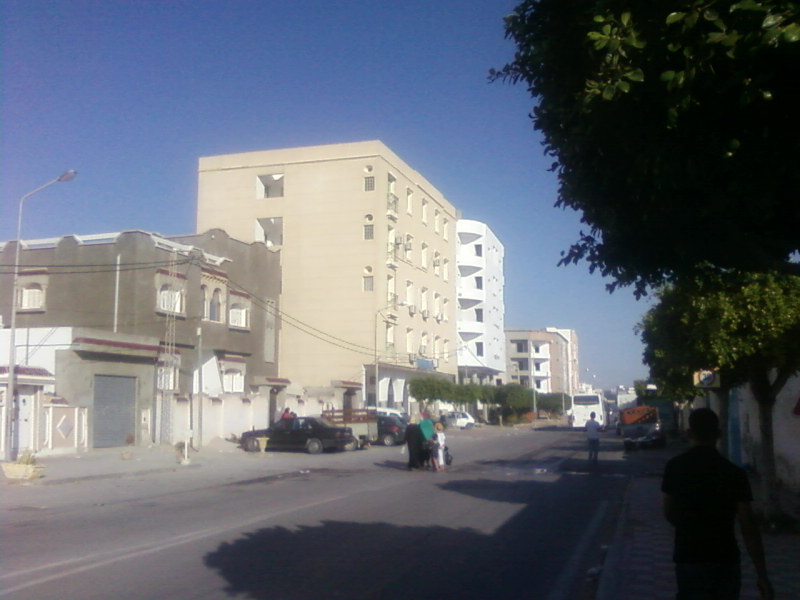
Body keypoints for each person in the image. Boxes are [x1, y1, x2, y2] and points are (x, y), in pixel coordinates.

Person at [661, 408, 773, 600]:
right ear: (719, 434)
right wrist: (762, 575)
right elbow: (748, 525)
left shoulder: (675, 467)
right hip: (725, 556)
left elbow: (668, 512)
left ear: (690, 433)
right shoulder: (734, 473)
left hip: (689, 555)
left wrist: (688, 525)